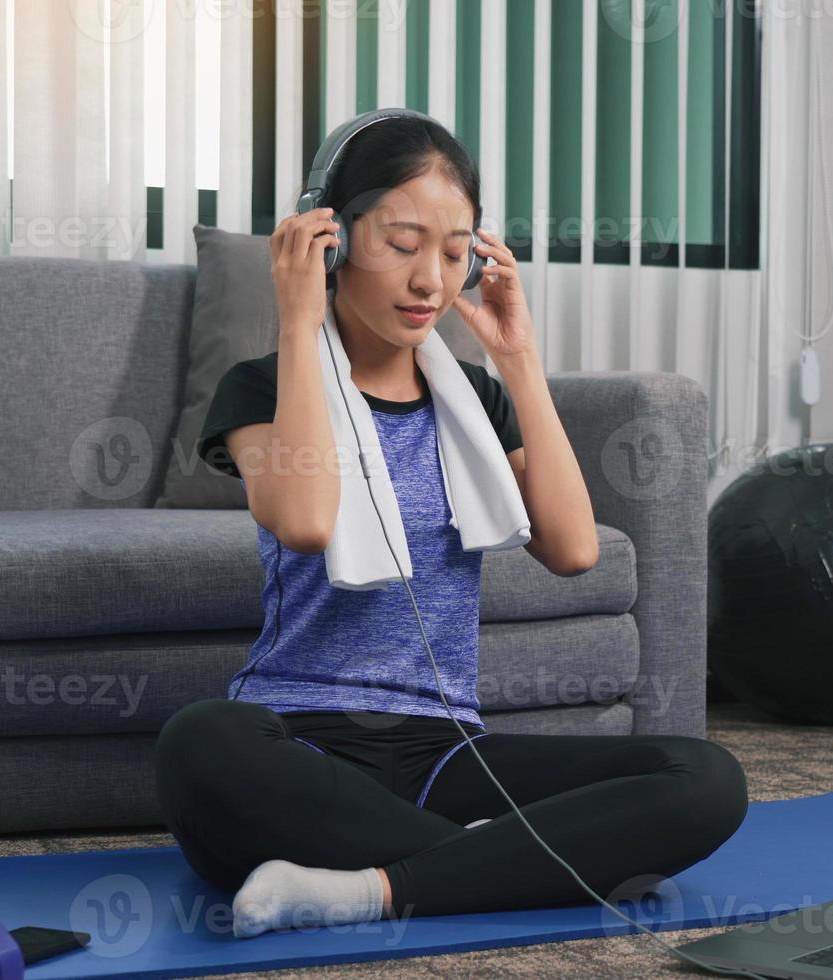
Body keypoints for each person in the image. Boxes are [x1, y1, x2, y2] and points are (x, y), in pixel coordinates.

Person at [153, 114, 749, 939]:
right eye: (402, 242)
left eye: (454, 249)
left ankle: (369, 888)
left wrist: (518, 358)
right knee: (200, 741)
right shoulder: (264, 389)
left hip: (447, 754)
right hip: (300, 744)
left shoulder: (475, 400)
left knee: (705, 776)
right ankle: (490, 866)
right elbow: (306, 521)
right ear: (331, 240)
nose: (430, 279)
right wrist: (294, 321)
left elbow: (574, 549)